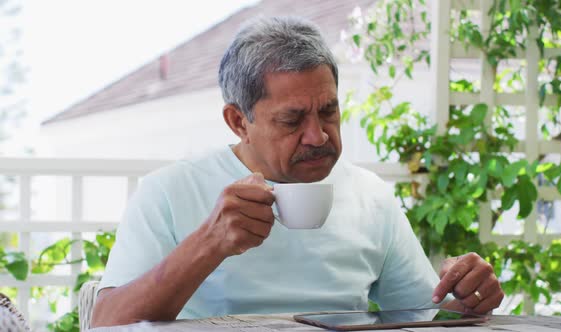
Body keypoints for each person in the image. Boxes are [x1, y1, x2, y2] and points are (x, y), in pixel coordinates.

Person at [91, 16, 504, 328]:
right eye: (292, 121)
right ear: (238, 122)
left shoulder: (370, 195)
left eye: (329, 111)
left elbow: (427, 315)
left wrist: (468, 296)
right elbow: (106, 322)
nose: (318, 136)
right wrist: (209, 243)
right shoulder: (169, 191)